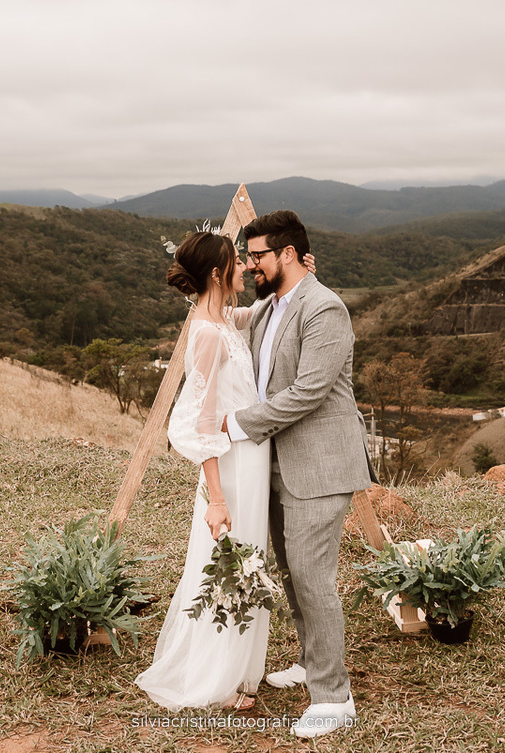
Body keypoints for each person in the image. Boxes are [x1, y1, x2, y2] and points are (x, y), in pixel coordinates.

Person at [135, 231, 315, 711]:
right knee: (231, 569)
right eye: (238, 262)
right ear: (217, 273)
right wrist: (217, 499)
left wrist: (299, 277)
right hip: (232, 472)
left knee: (248, 566)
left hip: (251, 462)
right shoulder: (210, 334)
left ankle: (237, 673)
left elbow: (266, 312)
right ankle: (221, 677)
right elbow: (204, 424)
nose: (245, 269)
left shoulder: (222, 320)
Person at [223, 209, 371, 739]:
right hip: (278, 463)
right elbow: (221, 321)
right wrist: (207, 282)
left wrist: (236, 424)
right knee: (293, 575)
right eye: (247, 257)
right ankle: (312, 664)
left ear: (287, 254)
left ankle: (334, 698)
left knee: (313, 579)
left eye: (257, 255)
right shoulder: (270, 307)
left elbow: (309, 392)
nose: (251, 264)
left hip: (319, 466)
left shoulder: (324, 308)